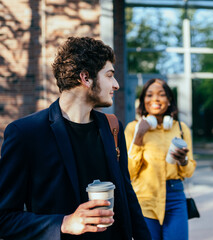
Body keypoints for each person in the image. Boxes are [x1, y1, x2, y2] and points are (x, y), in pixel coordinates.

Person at [0, 37, 151, 240]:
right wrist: (64, 223)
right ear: (85, 78)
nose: (116, 85)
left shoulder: (112, 127)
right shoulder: (25, 133)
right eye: (109, 75)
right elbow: (5, 219)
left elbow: (127, 196)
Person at [124, 78, 196, 240]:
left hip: (175, 197)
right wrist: (139, 136)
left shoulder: (180, 128)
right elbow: (129, 172)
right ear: (143, 101)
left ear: (169, 100)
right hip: (145, 198)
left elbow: (189, 171)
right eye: (149, 95)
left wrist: (183, 160)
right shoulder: (132, 128)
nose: (155, 99)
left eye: (161, 94)